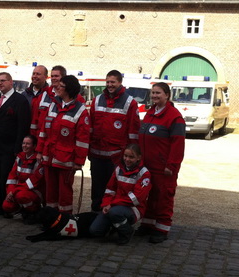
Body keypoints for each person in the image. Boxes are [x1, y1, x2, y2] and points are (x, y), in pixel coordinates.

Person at [137, 82, 185, 244]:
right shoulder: (150, 112)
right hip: (147, 165)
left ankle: (162, 228)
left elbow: (178, 145)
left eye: (158, 93)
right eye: (153, 93)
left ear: (167, 95)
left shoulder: (174, 117)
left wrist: (172, 165)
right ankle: (148, 224)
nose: (154, 96)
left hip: (163, 167)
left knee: (163, 197)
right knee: (149, 195)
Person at [37, 75, 90, 214]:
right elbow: (44, 131)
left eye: (61, 86)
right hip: (49, 157)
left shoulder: (80, 111)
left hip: (66, 160)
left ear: (69, 89)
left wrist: (79, 161)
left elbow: (82, 140)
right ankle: (51, 218)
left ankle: (65, 220)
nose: (57, 88)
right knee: (50, 192)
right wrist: (39, 151)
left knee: (64, 193)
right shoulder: (53, 105)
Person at [89, 70, 140, 212]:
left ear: (120, 82)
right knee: (97, 189)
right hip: (97, 156)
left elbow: (133, 132)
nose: (110, 85)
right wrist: (88, 151)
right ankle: (95, 215)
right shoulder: (97, 100)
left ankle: (111, 217)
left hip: (116, 157)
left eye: (113, 82)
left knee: (114, 189)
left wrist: (130, 156)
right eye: (108, 82)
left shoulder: (130, 103)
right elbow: (90, 128)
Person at [89, 143, 151, 245]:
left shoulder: (144, 173)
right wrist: (106, 204)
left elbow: (136, 198)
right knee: (95, 230)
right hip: (115, 206)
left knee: (115, 213)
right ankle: (116, 226)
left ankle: (127, 232)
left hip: (134, 208)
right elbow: (110, 190)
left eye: (131, 157)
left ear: (139, 158)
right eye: (125, 156)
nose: (127, 159)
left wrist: (112, 204)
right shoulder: (118, 169)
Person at [0, 72, 31, 215]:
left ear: (11, 82)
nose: (0, 83)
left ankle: (8, 207)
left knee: (5, 179)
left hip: (9, 147)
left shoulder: (20, 100)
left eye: (3, 80)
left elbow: (22, 126)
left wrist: (18, 148)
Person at [2, 134, 45, 220]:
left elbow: (33, 182)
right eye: (23, 143)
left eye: (28, 144)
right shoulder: (20, 157)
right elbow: (12, 177)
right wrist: (10, 192)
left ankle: (33, 211)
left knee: (21, 196)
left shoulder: (38, 160)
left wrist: (14, 192)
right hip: (19, 189)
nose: (24, 145)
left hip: (33, 190)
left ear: (34, 146)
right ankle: (21, 210)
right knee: (6, 206)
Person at [22, 65, 50, 134]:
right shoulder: (24, 95)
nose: (34, 76)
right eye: (33, 74)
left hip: (41, 134)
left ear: (45, 77)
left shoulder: (50, 95)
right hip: (25, 133)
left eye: (38, 74)